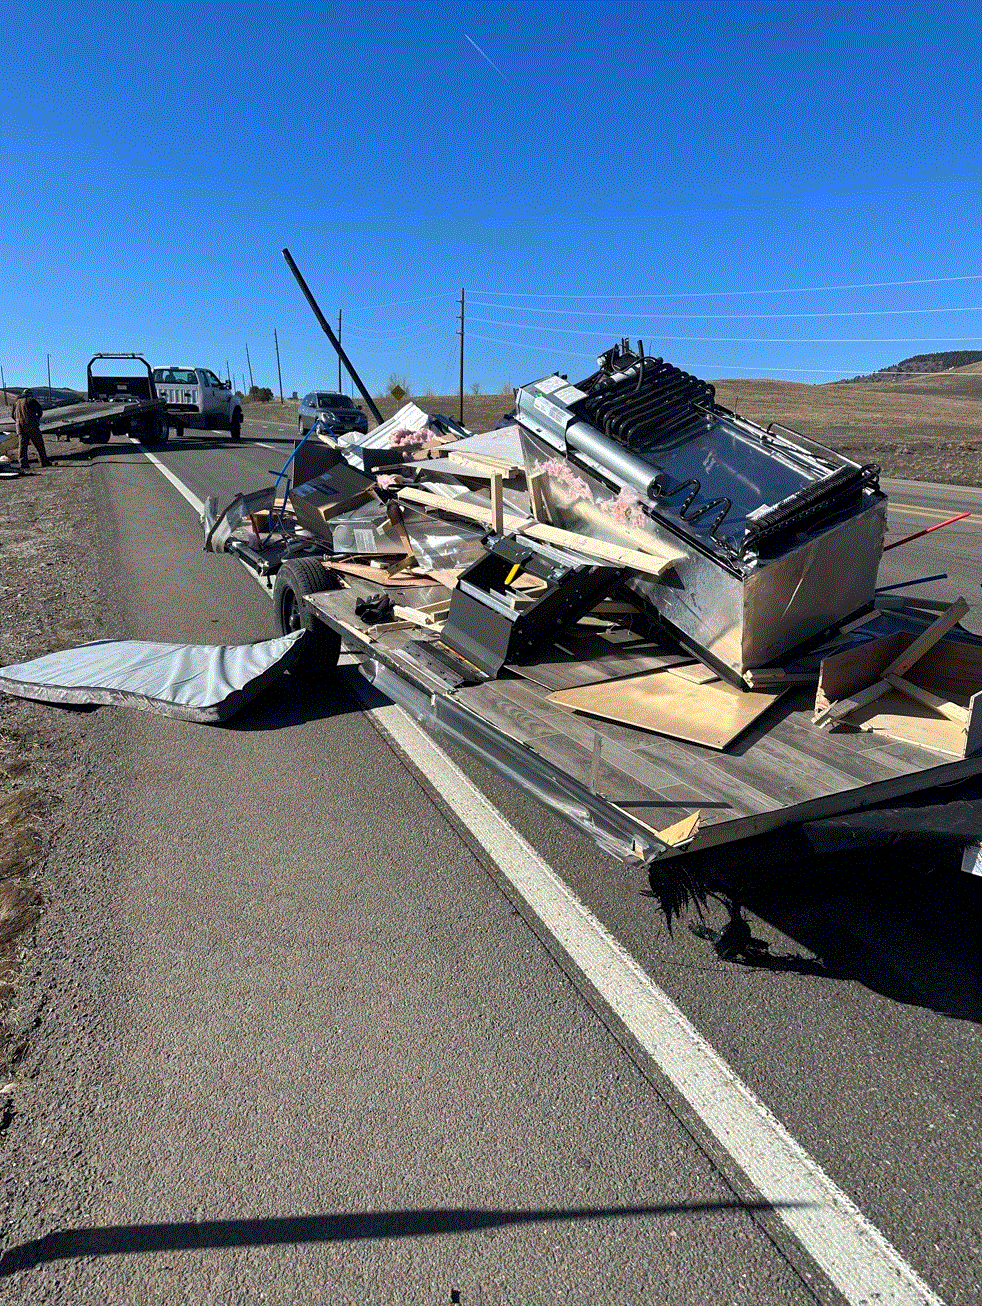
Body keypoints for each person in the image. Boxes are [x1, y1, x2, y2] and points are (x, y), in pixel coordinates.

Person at [12, 389, 51, 471]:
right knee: (39, 444)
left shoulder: (16, 402)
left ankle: (23, 464)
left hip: (20, 427)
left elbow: (12, 415)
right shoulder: (31, 401)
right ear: (29, 394)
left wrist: (18, 421)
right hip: (31, 426)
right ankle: (44, 462)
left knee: (22, 446)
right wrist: (36, 419)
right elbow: (39, 411)